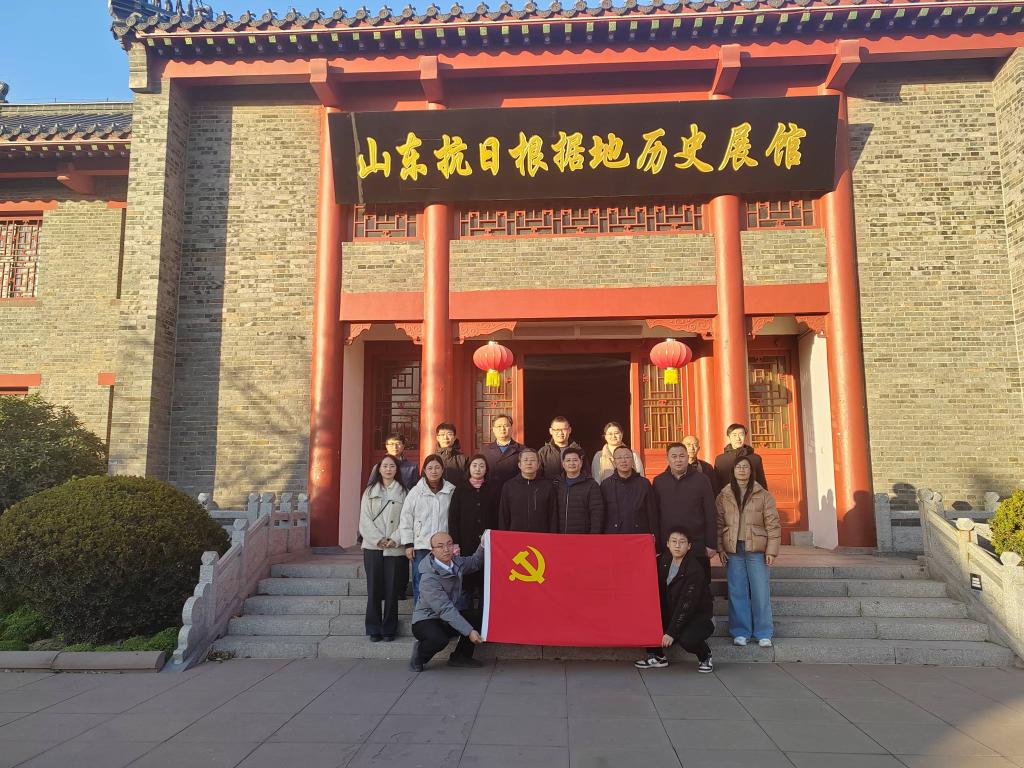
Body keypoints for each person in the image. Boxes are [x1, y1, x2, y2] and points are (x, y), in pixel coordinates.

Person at [717, 454, 782, 648]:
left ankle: (763, 632)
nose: (742, 470)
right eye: (738, 467)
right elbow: (719, 524)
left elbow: (773, 524)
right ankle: (740, 632)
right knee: (737, 591)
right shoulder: (724, 495)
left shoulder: (764, 495)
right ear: (733, 471)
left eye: (746, 467)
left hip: (757, 549)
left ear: (752, 471)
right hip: (733, 549)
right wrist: (720, 548)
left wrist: (771, 551)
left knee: (760, 591)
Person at [635, 527, 715, 673]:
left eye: (682, 542)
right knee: (646, 619)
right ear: (667, 544)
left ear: (689, 546)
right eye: (674, 541)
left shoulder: (695, 569)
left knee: (687, 640)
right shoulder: (661, 561)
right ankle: (658, 657)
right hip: (672, 613)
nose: (677, 546)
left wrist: (671, 632)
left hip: (697, 616)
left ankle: (705, 656)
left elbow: (687, 604)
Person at [410, 531, 487, 671]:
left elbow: (475, 562)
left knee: (478, 617)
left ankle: (461, 657)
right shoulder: (428, 578)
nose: (446, 549)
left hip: (446, 618)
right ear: (432, 550)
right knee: (439, 640)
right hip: (426, 619)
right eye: (440, 546)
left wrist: (482, 545)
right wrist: (469, 632)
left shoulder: (456, 562)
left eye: (449, 544)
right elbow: (445, 609)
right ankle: (419, 655)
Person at [652, 442, 717, 584]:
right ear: (667, 459)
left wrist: (711, 543)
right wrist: (656, 545)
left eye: (682, 456)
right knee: (669, 587)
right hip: (669, 545)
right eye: (674, 456)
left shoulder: (702, 480)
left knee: (699, 586)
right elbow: (655, 515)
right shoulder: (659, 481)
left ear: (688, 457)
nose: (678, 460)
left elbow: (710, 513)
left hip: (696, 544)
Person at [358, 455, 407, 642]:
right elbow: (364, 519)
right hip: (373, 547)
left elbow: (407, 519)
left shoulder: (404, 492)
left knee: (392, 590)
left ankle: (389, 629)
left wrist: (395, 539)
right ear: (379, 469)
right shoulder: (370, 491)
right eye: (385, 466)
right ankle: (373, 628)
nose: (388, 469)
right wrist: (378, 539)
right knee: (374, 589)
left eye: (392, 466)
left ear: (397, 469)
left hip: (394, 548)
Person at [367, 432, 419, 600]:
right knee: (382, 558)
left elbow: (415, 491)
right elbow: (370, 490)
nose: (394, 447)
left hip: (402, 516)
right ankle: (383, 590)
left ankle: (400, 589)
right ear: (386, 446)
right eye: (391, 444)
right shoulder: (378, 467)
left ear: (403, 446)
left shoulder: (411, 467)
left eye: (398, 443)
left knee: (401, 557)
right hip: (381, 519)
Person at [399, 454, 456, 603]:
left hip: (444, 547)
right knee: (421, 583)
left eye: (437, 467)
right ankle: (421, 615)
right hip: (421, 546)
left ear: (442, 469)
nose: (434, 471)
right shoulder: (415, 492)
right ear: (424, 470)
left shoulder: (451, 491)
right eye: (430, 468)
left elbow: (456, 518)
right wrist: (408, 544)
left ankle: (441, 616)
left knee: (444, 584)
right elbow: (406, 518)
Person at [447, 454, 500, 603]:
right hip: (466, 543)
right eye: (474, 465)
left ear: (486, 469)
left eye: (482, 466)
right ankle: (465, 617)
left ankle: (483, 615)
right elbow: (453, 518)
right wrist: (455, 543)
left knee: (486, 582)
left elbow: (497, 515)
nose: (478, 469)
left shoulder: (492, 489)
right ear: (469, 468)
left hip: (487, 543)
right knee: (466, 584)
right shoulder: (460, 489)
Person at [600, 445, 658, 536]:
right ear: (614, 462)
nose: (623, 461)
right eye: (619, 458)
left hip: (639, 535)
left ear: (633, 460)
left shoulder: (644, 484)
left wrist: (654, 537)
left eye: (627, 457)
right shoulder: (606, 485)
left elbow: (652, 513)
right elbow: (601, 514)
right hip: (613, 535)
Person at [498, 447, 557, 532]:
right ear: (519, 465)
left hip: (541, 536)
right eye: (525, 460)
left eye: (532, 460)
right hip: (516, 535)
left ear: (538, 465)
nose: (529, 463)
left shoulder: (548, 486)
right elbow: (504, 516)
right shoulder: (509, 486)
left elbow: (553, 515)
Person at [552, 446, 604, 533]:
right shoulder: (557, 484)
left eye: (575, 460)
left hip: (583, 535)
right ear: (563, 464)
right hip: (560, 535)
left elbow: (597, 513)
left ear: (581, 463)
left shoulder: (591, 485)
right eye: (568, 460)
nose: (572, 463)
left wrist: (594, 535)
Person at [714, 423, 768, 492]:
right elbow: (716, 485)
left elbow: (761, 483)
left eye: (741, 434)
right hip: (727, 497)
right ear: (729, 437)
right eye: (734, 435)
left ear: (745, 436)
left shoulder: (755, 458)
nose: (738, 438)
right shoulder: (720, 460)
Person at [480, 414, 523, 491]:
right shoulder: (484, 451)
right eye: (499, 426)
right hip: (490, 492)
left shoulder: (522, 450)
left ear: (511, 428)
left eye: (506, 426)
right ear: (493, 429)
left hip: (514, 491)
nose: (502, 429)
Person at [435, 422, 468, 487]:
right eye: (442, 434)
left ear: (454, 438)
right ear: (437, 438)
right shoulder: (431, 459)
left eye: (449, 434)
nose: (445, 437)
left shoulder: (463, 459)